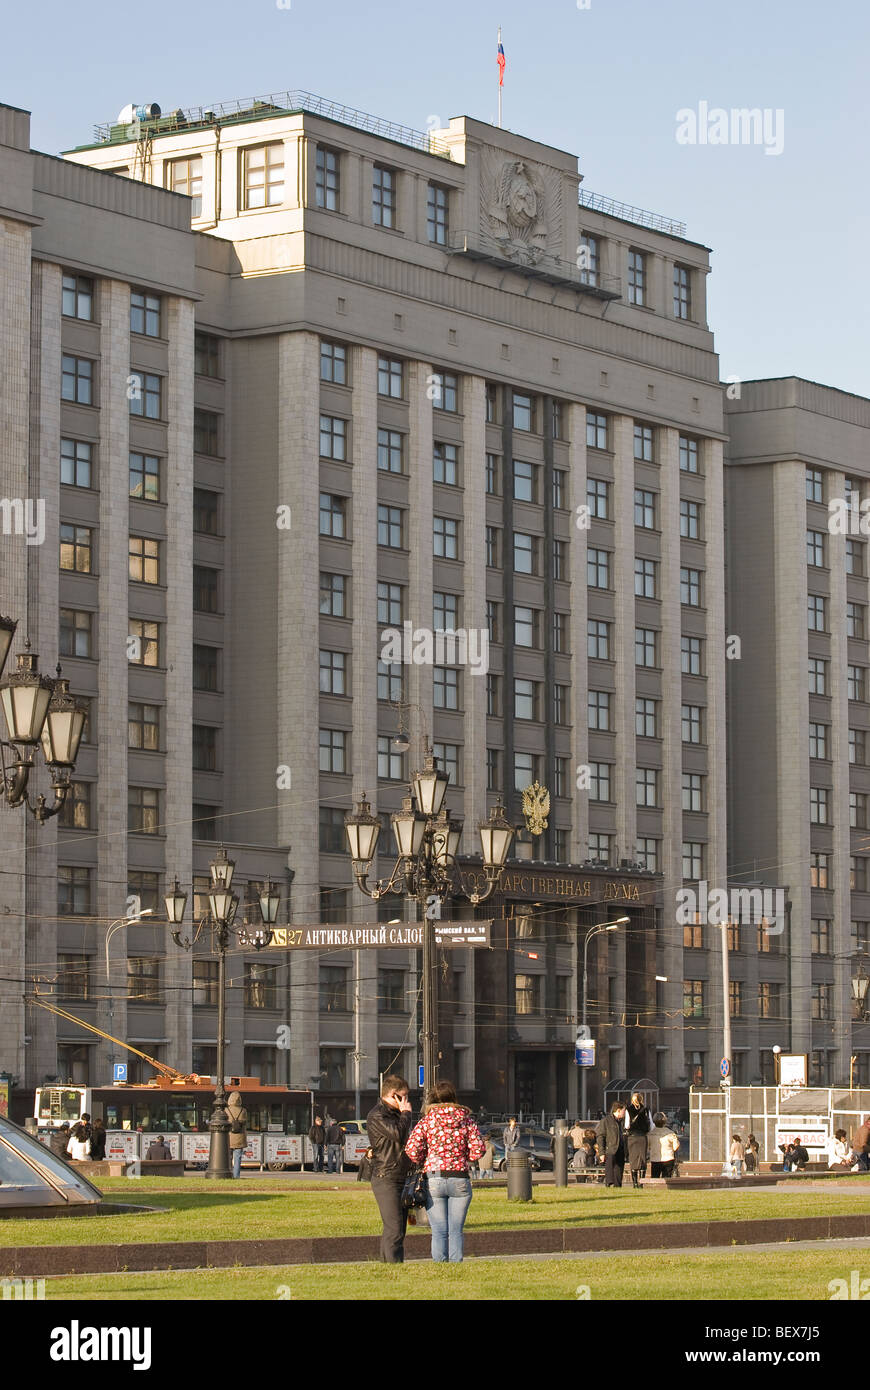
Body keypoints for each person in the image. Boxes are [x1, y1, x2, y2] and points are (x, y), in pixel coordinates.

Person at [405, 1079, 485, 1263]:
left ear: (432, 1098)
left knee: (439, 1230)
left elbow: (412, 1149)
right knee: (456, 1230)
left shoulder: (428, 1121)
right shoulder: (466, 1120)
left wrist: (424, 1158)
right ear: (454, 1098)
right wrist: (465, 1157)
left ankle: (440, 1266)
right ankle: (456, 1265)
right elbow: (478, 1149)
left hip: (434, 1178)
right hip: (460, 1178)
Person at [367, 1075, 414, 1263]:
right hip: (386, 1176)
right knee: (394, 1227)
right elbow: (397, 1134)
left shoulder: (394, 1114)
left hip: (400, 1175)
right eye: (404, 1096)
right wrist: (406, 1114)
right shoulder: (378, 1114)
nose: (407, 1101)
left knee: (399, 1228)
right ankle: (392, 1267)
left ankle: (392, 1265)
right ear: (394, 1096)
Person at [595, 1102, 627, 1188]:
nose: (625, 1113)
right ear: (618, 1110)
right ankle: (609, 1185)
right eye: (624, 1111)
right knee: (610, 1171)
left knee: (619, 1171)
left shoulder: (624, 1122)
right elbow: (600, 1136)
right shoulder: (606, 1121)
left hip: (621, 1149)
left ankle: (617, 1186)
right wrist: (602, 1153)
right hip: (610, 1149)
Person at [626, 1092, 651, 1187]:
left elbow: (627, 1125)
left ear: (632, 1100)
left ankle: (635, 1183)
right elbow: (651, 1124)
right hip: (642, 1137)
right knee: (642, 1158)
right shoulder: (646, 1110)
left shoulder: (628, 1109)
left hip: (632, 1137)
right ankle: (641, 1183)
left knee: (633, 1159)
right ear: (641, 1100)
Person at [647, 1112, 680, 1177]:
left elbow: (648, 1146)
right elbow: (676, 1146)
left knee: (655, 1179)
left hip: (655, 1159)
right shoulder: (670, 1133)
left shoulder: (650, 1134)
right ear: (665, 1121)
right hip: (668, 1159)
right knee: (667, 1178)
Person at [225, 1089, 248, 1179]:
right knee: (237, 1158)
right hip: (240, 1137)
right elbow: (245, 1122)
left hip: (229, 1137)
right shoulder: (243, 1110)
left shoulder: (226, 1110)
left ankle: (229, 1174)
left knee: (228, 1158)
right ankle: (236, 1176)